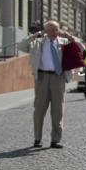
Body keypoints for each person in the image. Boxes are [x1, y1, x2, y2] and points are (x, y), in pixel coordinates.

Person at [25, 20, 76, 148]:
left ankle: (55, 140)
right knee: (39, 110)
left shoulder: (64, 42)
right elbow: (21, 45)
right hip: (42, 77)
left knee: (58, 110)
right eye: (52, 30)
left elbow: (80, 47)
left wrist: (69, 36)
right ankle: (37, 139)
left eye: (57, 29)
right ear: (46, 31)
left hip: (58, 78)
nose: (55, 32)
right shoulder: (38, 42)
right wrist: (36, 35)